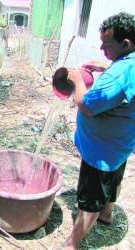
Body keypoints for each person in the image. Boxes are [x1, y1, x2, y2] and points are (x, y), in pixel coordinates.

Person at [63, 12, 135, 250]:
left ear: (125, 44)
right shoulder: (129, 62)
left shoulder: (120, 75)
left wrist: (77, 81)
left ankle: (71, 244)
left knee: (90, 200)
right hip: (120, 144)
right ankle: (107, 215)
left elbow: (87, 106)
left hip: (100, 151)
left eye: (107, 45)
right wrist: (106, 67)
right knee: (113, 180)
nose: (102, 48)